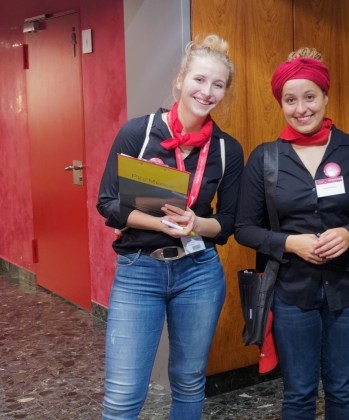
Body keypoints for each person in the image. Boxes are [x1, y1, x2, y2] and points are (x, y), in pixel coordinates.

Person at [96, 34, 243, 419]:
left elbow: (228, 222)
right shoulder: (139, 133)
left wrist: (197, 223)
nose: (207, 92)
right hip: (139, 271)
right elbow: (108, 202)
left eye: (218, 84)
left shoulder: (227, 150)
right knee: (123, 395)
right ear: (180, 80)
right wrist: (160, 223)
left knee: (189, 381)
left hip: (199, 272)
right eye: (199, 79)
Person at [234, 47, 349, 419]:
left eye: (310, 97)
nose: (301, 109)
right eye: (290, 100)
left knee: (342, 390)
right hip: (291, 293)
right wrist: (288, 243)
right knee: (298, 394)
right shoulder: (265, 158)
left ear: (325, 97)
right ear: (280, 104)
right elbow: (244, 228)